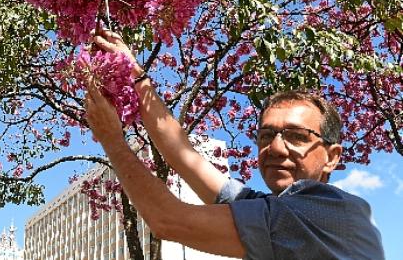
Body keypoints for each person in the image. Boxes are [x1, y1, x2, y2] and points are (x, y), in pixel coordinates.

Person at [84, 29, 384, 260]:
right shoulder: (283, 211)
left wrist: (113, 141)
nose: (276, 148)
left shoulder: (314, 214)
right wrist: (136, 76)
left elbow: (169, 221)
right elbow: (185, 157)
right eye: (266, 136)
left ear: (332, 156)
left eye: (296, 136)